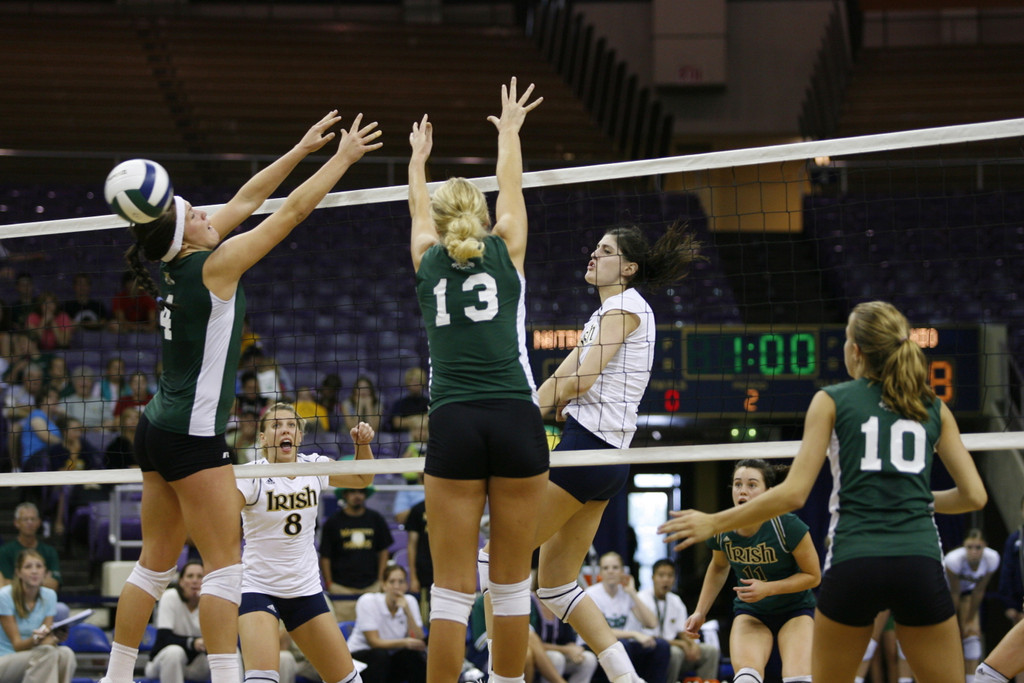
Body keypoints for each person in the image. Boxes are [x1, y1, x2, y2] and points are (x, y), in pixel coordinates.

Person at [95, 109, 382, 683]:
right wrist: (343, 160)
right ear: (187, 235)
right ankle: (230, 677)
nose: (205, 213)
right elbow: (293, 213)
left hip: (154, 426)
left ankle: (116, 676)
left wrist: (300, 148)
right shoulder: (216, 266)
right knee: (228, 565)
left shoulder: (182, 260)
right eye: (195, 214)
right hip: (190, 437)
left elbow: (250, 196)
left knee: (153, 564)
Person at [661, 300, 989, 683]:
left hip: (855, 560)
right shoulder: (932, 406)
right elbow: (974, 496)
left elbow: (794, 494)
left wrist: (714, 521)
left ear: (856, 351)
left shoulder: (832, 399)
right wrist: (911, 500)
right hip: (918, 560)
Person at [479, 215, 700, 683]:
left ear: (629, 268)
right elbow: (561, 379)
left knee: (497, 559)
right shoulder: (603, 315)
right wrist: (523, 411)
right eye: (594, 248)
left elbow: (581, 379)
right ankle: (627, 678)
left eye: (605, 251)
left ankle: (501, 676)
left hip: (588, 452)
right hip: (601, 457)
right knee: (557, 587)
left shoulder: (626, 308)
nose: (593, 255)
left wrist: (554, 400)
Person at [407, 77, 548, 683]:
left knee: (451, 588)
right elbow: (511, 184)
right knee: (511, 583)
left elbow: (416, 210)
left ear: (440, 224)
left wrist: (418, 160)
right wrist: (510, 131)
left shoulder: (424, 256)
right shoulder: (507, 245)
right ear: (483, 215)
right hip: (517, 418)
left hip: (454, 421)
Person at [236, 402, 375, 683]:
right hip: (258, 588)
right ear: (263, 438)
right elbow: (223, 513)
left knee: (348, 679)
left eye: (291, 425)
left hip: (304, 590)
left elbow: (362, 478)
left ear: (299, 436)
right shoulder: (250, 475)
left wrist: (362, 444)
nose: (284, 430)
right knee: (262, 679)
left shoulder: (314, 466)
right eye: (276, 425)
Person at [684, 460, 818, 683]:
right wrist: (700, 611)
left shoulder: (788, 525)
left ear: (769, 492)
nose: (742, 490)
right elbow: (718, 566)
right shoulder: (721, 527)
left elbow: (814, 576)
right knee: (746, 679)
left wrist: (769, 588)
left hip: (794, 611)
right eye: (737, 484)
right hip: (752, 613)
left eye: (752, 485)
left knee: (799, 679)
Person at [584, 552, 669, 683]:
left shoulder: (625, 593)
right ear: (600, 572)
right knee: (621, 646)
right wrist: (634, 634)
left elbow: (652, 623)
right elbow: (599, 631)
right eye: (606, 568)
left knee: (661, 645)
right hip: (594, 644)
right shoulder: (591, 594)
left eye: (615, 567)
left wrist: (632, 592)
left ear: (623, 571)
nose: (610, 571)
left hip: (621, 643)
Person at [0, 549, 76, 683]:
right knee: (47, 653)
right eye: (28, 567)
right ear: (18, 573)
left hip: (35, 653)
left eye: (39, 566)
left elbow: (45, 637)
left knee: (66, 653)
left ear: (46, 572)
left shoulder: (50, 595)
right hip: (6, 658)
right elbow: (17, 646)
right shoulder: (4, 596)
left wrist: (54, 638)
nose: (34, 571)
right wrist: (36, 640)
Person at [638, 559, 720, 683]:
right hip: (652, 649)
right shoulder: (641, 598)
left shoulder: (676, 600)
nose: (665, 579)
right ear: (653, 577)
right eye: (661, 575)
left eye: (670, 575)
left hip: (675, 647)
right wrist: (681, 644)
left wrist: (692, 645)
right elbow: (650, 638)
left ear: (674, 578)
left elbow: (682, 631)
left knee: (711, 651)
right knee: (675, 653)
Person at [320, 487, 393, 622]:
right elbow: (325, 556)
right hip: (342, 588)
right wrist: (329, 583)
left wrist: (381, 580)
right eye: (353, 492)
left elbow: (383, 551)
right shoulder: (333, 522)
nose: (357, 496)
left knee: (374, 627)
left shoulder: (376, 519)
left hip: (371, 586)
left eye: (360, 492)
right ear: (345, 495)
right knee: (344, 630)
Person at [347, 565, 427, 683]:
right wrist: (405, 642)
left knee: (413, 656)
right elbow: (374, 642)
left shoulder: (410, 601)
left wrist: (408, 612)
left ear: (406, 585)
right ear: (384, 585)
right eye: (392, 582)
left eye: (401, 582)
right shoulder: (368, 601)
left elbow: (418, 639)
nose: (396, 587)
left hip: (389, 657)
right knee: (380, 656)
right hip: (361, 656)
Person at [945, 529, 1001, 681]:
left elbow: (979, 590)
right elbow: (955, 593)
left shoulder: (992, 558)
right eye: (969, 547)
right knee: (948, 635)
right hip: (946, 593)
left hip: (969, 594)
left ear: (985, 547)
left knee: (972, 635)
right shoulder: (953, 560)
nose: (974, 552)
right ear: (964, 546)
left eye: (978, 547)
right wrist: (953, 622)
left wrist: (969, 620)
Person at [145, 560, 212, 683]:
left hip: (196, 665)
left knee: (231, 651)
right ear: (181, 582)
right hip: (163, 662)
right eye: (190, 576)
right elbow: (164, 639)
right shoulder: (170, 596)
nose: (195, 581)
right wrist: (193, 643)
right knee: (174, 652)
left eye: (200, 576)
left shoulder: (211, 602)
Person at [0, 504, 61, 591]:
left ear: (39, 522)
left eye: (33, 519)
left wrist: (20, 580)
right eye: (25, 519)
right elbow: (4, 585)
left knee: (62, 605)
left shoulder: (49, 551)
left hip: (43, 600)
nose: (29, 522)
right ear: (16, 523)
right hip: (13, 601)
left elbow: (54, 585)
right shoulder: (4, 551)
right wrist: (40, 580)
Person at [386, 367, 429, 433]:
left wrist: (408, 420)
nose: (415, 384)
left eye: (418, 381)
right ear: (407, 383)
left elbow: (429, 420)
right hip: (403, 436)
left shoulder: (428, 402)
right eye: (412, 381)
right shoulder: (400, 403)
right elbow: (396, 423)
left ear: (423, 383)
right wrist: (418, 419)